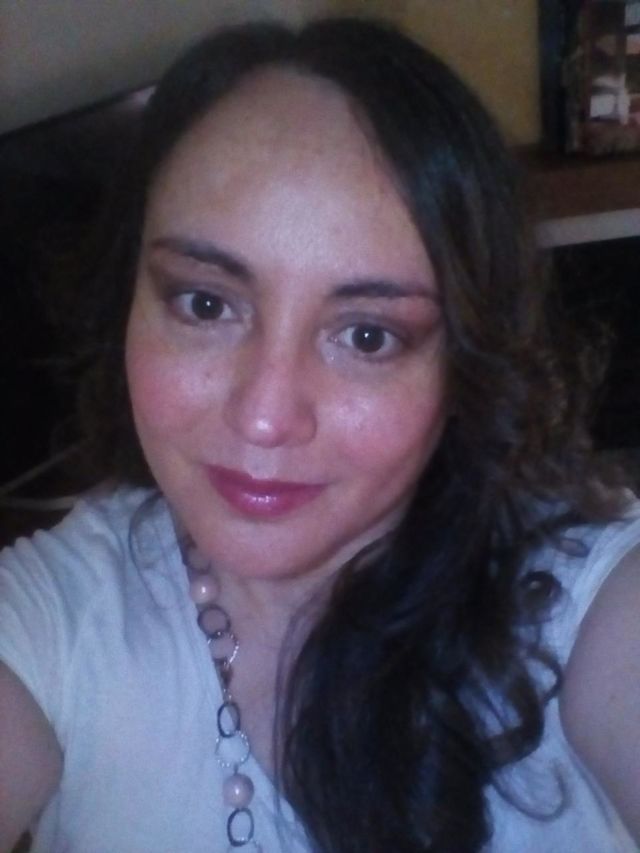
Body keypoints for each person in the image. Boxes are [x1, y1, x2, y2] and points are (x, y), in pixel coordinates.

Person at [0, 16, 638, 853]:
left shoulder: (583, 605)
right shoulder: (56, 617)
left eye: (368, 336)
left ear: (463, 366)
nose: (265, 415)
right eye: (206, 303)